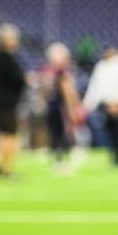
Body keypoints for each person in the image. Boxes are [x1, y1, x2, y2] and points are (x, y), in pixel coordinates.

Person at [82, 47, 118, 167]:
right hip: (106, 105)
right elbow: (95, 88)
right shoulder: (101, 66)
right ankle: (113, 156)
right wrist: (87, 105)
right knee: (109, 132)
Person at [0, 23, 26, 178]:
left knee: (3, 133)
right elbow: (17, 79)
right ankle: (7, 169)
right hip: (8, 103)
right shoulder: (7, 59)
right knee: (11, 135)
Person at [41, 42, 82, 173]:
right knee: (62, 134)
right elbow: (68, 92)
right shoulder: (61, 72)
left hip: (52, 105)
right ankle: (61, 160)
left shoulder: (47, 70)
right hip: (60, 106)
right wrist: (73, 109)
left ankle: (57, 159)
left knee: (55, 134)